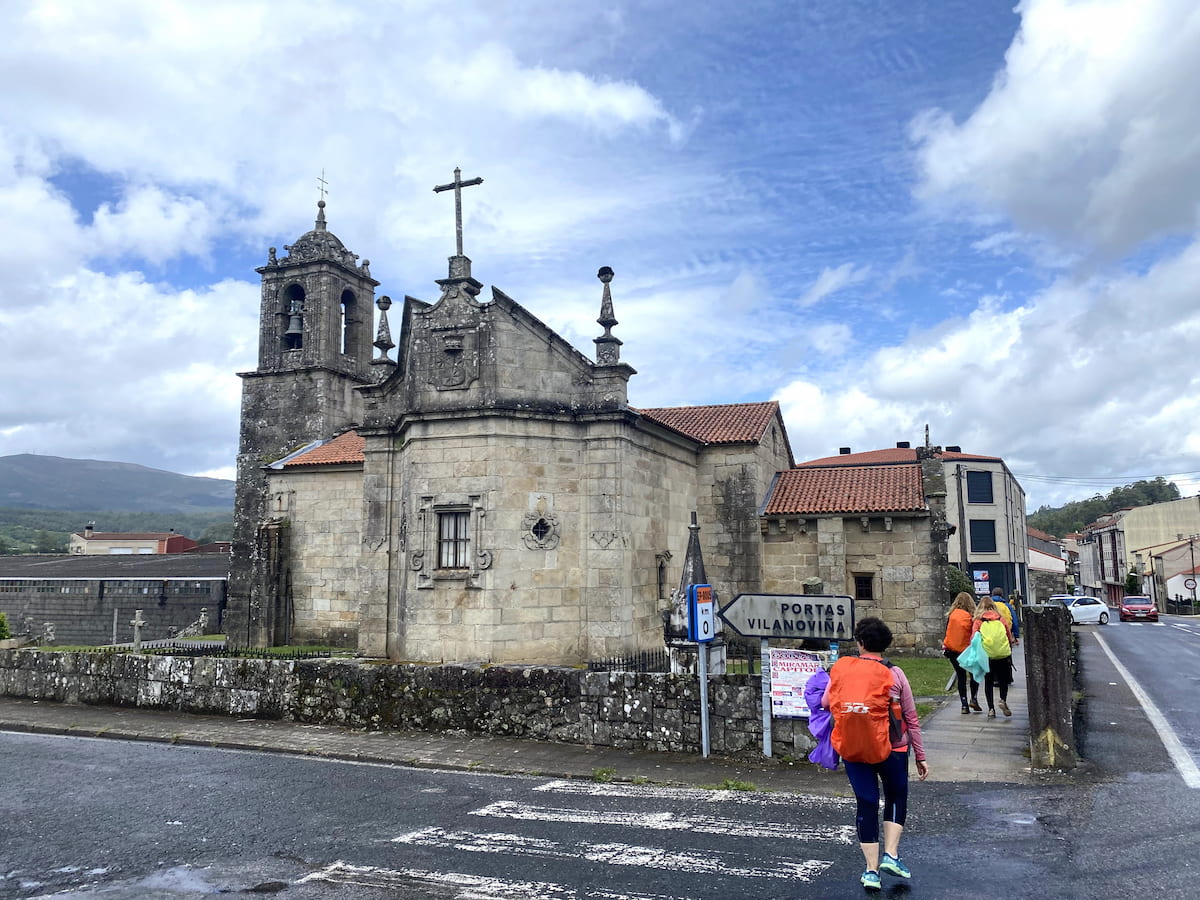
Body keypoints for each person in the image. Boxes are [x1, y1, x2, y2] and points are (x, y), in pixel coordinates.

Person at [822, 617, 929, 891]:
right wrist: (920, 755)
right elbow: (911, 717)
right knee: (895, 796)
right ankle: (891, 855)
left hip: (855, 746)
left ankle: (871, 871)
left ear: (859, 643)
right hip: (893, 747)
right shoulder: (896, 674)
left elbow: (825, 703)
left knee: (866, 803)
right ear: (886, 645)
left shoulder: (843, 670)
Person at [973, 597, 1017, 718]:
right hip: (1002, 653)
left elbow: (974, 638)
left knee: (988, 681)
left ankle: (991, 709)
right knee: (1003, 680)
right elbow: (1008, 634)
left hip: (987, 655)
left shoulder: (978, 620)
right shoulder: (1000, 618)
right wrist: (1009, 648)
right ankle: (1003, 700)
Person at [942, 592, 981, 714]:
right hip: (968, 650)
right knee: (974, 674)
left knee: (961, 676)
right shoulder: (972, 616)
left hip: (953, 650)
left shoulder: (952, 615)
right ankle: (973, 698)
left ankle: (964, 704)